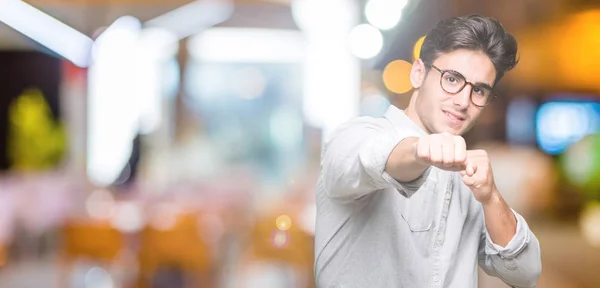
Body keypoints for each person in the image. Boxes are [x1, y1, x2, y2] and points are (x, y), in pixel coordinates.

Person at [314, 14, 542, 288]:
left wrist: (490, 197)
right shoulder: (354, 136)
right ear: (418, 73)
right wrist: (421, 150)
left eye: (479, 90)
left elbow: (526, 273)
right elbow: (369, 158)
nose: (462, 101)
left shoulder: (469, 180)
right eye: (452, 79)